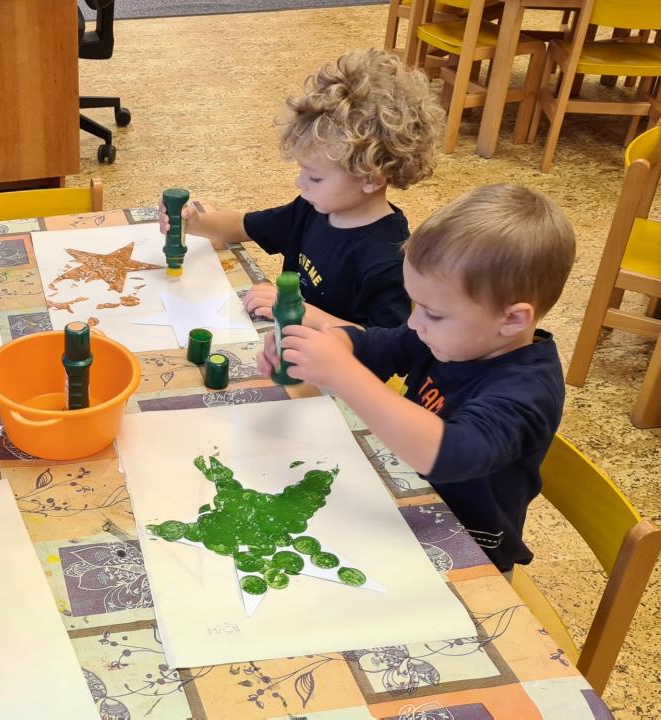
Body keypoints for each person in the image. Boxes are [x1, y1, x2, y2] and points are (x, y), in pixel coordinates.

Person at [261, 184, 576, 572]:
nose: (414, 323)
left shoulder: (527, 390)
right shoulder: (450, 337)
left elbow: (448, 454)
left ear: (512, 320)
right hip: (403, 504)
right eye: (417, 305)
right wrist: (321, 345)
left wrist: (342, 373)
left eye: (433, 313)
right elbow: (377, 344)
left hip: (468, 554)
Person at [161, 48, 444, 329]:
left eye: (315, 178)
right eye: (302, 171)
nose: (300, 183)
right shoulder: (312, 209)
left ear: (371, 178)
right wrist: (194, 222)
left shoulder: (387, 258)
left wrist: (298, 311)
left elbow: (388, 345)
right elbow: (241, 226)